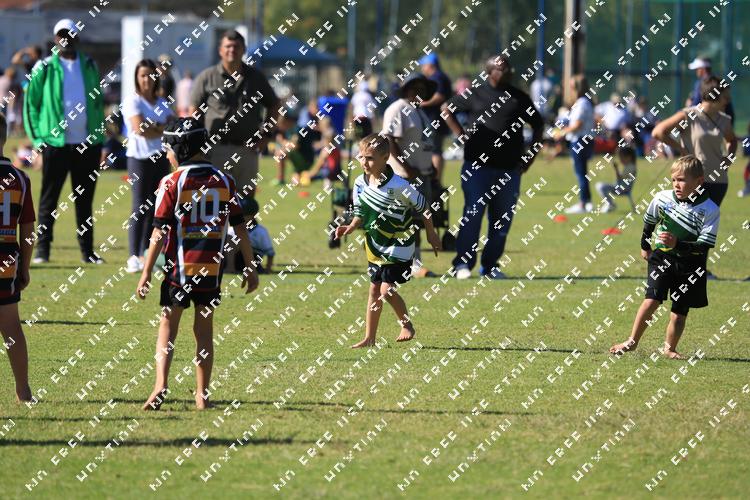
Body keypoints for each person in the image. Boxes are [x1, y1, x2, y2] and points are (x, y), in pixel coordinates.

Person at [136, 118, 259, 410]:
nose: (167, 155)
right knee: (204, 332)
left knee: (168, 326)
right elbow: (241, 228)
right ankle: (202, 395)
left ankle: (160, 385)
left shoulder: (172, 182)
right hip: (211, 271)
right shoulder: (225, 181)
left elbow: (158, 232)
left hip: (179, 271)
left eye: (168, 149)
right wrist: (250, 266)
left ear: (180, 149)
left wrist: (145, 273)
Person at [441, 55, 544, 280]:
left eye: (509, 68)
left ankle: (490, 266)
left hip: (509, 170)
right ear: (489, 72)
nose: (508, 71)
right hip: (477, 168)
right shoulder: (475, 93)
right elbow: (446, 109)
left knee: (501, 221)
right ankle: (462, 264)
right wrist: (460, 134)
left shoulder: (519, 97)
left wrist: (530, 157)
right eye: (502, 68)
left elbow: (539, 125)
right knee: (473, 215)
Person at [335, 133, 441, 349]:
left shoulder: (399, 185)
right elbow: (360, 211)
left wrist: (431, 234)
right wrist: (351, 227)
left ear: (385, 158)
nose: (364, 162)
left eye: (370, 158)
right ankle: (369, 338)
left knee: (386, 290)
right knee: (374, 290)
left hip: (400, 245)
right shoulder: (359, 183)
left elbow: (424, 207)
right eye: (362, 157)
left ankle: (407, 325)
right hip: (375, 245)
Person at [610, 155, 719, 359]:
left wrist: (678, 244)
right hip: (662, 258)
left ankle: (670, 348)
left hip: (690, 265)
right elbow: (649, 222)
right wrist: (645, 245)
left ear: (699, 181)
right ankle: (631, 342)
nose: (676, 184)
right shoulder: (662, 198)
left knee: (678, 314)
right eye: (674, 179)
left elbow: (704, 247)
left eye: (682, 180)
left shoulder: (710, 209)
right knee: (651, 300)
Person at [23, 19, 105, 264]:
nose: (65, 39)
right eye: (61, 35)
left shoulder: (90, 65)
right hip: (55, 144)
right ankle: (42, 251)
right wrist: (38, 139)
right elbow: (31, 105)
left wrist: (99, 137)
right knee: (49, 200)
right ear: (55, 39)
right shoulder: (44, 67)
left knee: (85, 201)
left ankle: (87, 252)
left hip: (87, 144)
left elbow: (97, 103)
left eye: (69, 35)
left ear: (77, 38)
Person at [190, 30, 280, 198]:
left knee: (246, 203)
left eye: (236, 46)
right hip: (215, 149)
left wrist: (266, 135)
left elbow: (275, 105)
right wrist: (197, 144)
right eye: (228, 46)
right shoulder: (207, 77)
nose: (232, 50)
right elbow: (194, 110)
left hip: (247, 149)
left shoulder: (255, 77)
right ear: (220, 50)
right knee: (214, 200)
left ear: (244, 49)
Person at [381, 74, 438, 278]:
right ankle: (406, 264)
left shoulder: (419, 111)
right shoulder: (398, 108)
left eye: (423, 89)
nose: (420, 92)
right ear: (406, 90)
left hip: (421, 175)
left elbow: (422, 142)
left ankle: (414, 263)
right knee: (404, 221)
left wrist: (430, 166)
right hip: (403, 176)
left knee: (417, 221)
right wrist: (406, 166)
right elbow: (389, 139)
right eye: (415, 88)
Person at [122, 59, 173, 273]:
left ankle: (147, 253)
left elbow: (172, 126)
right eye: (142, 75)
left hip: (161, 158)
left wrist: (156, 127)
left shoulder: (162, 102)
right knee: (139, 207)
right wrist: (159, 127)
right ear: (136, 78)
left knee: (156, 208)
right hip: (140, 159)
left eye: (150, 75)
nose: (146, 80)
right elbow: (140, 129)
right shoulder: (132, 101)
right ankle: (133, 255)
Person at [0, 112, 34, 402]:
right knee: (11, 326)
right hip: (7, 260)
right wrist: (25, 266)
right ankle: (23, 390)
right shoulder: (20, 179)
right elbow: (28, 230)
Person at [554, 74, 595, 214]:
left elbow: (577, 125)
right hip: (582, 139)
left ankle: (583, 204)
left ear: (577, 88)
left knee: (580, 173)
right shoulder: (583, 102)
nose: (569, 89)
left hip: (580, 140)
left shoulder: (582, 103)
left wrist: (561, 133)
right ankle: (587, 202)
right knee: (582, 172)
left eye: (571, 86)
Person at [418, 53, 452, 183]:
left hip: (434, 120)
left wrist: (422, 103)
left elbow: (439, 96)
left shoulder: (437, 77)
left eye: (423, 65)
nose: (422, 68)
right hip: (436, 120)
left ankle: (435, 182)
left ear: (430, 65)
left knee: (434, 151)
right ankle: (434, 181)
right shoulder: (440, 76)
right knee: (434, 150)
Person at [688, 57, 734, 123]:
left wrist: (690, 106)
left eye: (697, 69)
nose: (696, 71)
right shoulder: (718, 82)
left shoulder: (701, 83)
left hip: (711, 122)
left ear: (702, 69)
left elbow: (696, 103)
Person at [595, 146, 637, 213]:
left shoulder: (631, 167)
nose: (620, 160)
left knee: (600, 186)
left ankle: (610, 204)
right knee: (600, 185)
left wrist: (616, 168)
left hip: (622, 189)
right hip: (622, 188)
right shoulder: (629, 166)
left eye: (621, 157)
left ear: (629, 157)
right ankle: (609, 204)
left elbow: (619, 178)